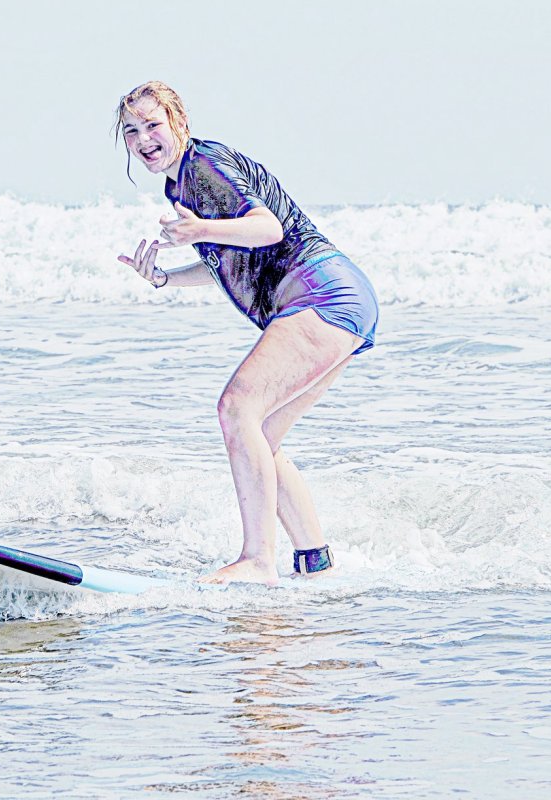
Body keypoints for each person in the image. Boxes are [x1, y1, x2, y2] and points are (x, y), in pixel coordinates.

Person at [114, 80, 379, 585]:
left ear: (179, 122)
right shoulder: (182, 183)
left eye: (152, 124)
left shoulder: (204, 167)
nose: (143, 138)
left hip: (323, 293)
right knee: (262, 437)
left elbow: (267, 228)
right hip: (338, 298)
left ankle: (258, 560)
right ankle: (315, 564)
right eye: (131, 131)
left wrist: (200, 230)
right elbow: (227, 261)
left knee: (237, 408)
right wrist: (165, 278)